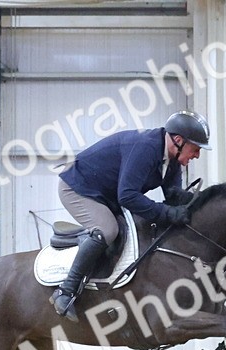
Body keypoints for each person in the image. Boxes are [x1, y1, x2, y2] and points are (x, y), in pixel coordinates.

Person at [50, 110, 211, 321]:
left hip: (106, 195)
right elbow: (127, 196)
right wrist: (166, 212)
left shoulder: (172, 159)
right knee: (108, 230)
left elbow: (173, 196)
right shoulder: (146, 148)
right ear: (179, 141)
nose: (197, 155)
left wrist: (199, 205)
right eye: (196, 148)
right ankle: (66, 290)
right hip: (77, 188)